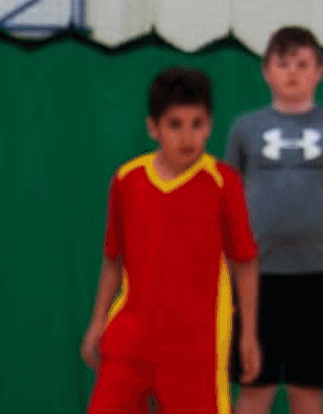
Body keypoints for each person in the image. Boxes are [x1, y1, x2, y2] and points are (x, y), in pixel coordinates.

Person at [83, 67, 261, 414]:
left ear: (210, 125)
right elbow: (113, 261)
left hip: (195, 351)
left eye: (197, 124)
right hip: (130, 342)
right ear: (153, 128)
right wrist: (97, 321)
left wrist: (249, 334)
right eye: (175, 124)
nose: (187, 136)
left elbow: (245, 265)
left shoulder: (224, 183)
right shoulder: (127, 180)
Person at [225, 26, 323, 414]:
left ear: (320, 71)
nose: (293, 72)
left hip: (317, 278)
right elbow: (226, 206)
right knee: (254, 386)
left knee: (307, 389)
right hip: (254, 277)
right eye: (283, 63)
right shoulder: (244, 128)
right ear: (266, 71)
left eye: (303, 64)